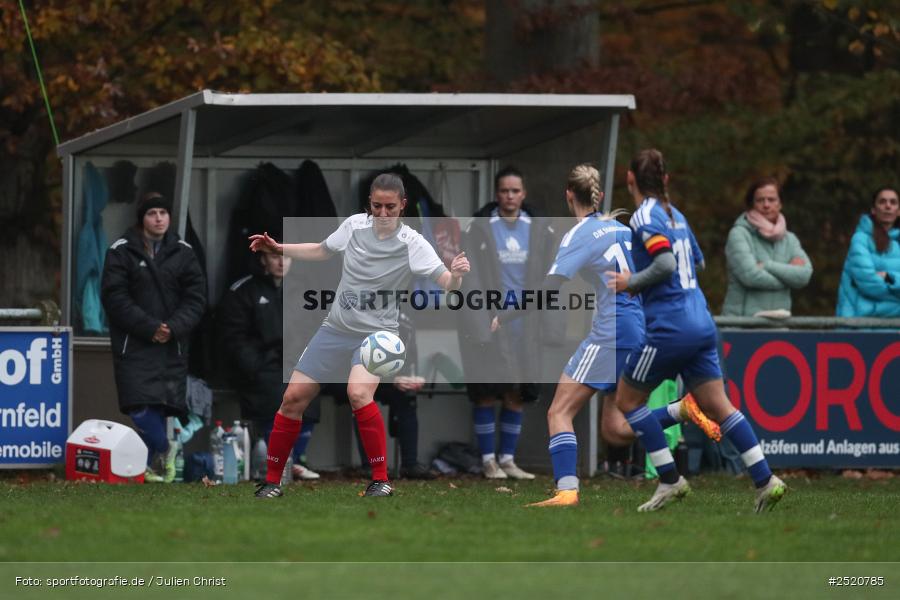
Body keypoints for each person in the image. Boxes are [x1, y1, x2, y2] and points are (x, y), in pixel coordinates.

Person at [492, 164, 720, 507]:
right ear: (598, 195)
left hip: (612, 331)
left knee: (559, 411)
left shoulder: (579, 234)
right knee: (615, 428)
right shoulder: (622, 228)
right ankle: (681, 410)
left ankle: (567, 491)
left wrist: (505, 315)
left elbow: (548, 291)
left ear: (569, 195)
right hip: (639, 327)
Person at [249, 173, 470, 498]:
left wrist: (458, 276)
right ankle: (271, 483)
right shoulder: (353, 226)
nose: (382, 214)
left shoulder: (413, 243)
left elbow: (446, 283)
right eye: (377, 206)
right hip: (335, 329)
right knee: (292, 398)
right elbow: (322, 250)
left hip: (378, 336)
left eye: (390, 207)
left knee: (358, 393)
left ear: (402, 206)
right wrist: (280, 248)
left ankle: (380, 480)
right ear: (369, 204)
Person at [608, 149, 786, 513]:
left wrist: (631, 282)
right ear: (666, 181)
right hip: (702, 320)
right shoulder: (676, 215)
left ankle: (670, 481)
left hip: (670, 326)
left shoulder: (644, 217)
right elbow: (697, 260)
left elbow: (666, 262)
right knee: (718, 405)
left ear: (630, 180)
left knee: (627, 402)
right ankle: (766, 480)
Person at [458, 166, 558, 480]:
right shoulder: (479, 228)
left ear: (523, 194)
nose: (510, 196)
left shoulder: (541, 229)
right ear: (496, 194)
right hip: (491, 320)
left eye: (515, 191)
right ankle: (488, 461)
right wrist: (478, 317)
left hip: (525, 323)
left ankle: (508, 460)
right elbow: (469, 276)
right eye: (504, 191)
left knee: (518, 392)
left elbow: (553, 277)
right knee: (487, 389)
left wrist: (550, 322)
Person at [100, 192, 206, 482]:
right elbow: (115, 297)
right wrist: (150, 327)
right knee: (138, 406)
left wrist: (172, 327)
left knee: (159, 407)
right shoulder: (121, 250)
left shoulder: (184, 252)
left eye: (163, 212)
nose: (158, 218)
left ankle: (145, 468)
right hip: (134, 343)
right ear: (141, 219)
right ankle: (166, 447)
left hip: (173, 344)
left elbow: (196, 298)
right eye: (152, 213)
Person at [217, 250, 321, 481]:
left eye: (286, 257)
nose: (281, 262)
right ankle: (276, 460)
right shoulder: (243, 290)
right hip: (260, 366)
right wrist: (254, 364)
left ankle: (297, 458)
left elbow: (316, 327)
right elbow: (233, 336)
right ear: (263, 259)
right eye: (275, 257)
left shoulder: (304, 290)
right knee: (272, 394)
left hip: (295, 363)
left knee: (309, 391)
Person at [722, 177, 813, 317]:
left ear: (780, 204)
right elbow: (750, 276)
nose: (766, 205)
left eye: (771, 200)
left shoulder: (790, 239)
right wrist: (788, 279)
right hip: (741, 325)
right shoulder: (738, 234)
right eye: (760, 200)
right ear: (751, 204)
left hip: (779, 325)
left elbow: (804, 275)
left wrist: (767, 266)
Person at [836, 186, 900, 317]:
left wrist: (890, 277)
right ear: (873, 210)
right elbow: (868, 284)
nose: (888, 206)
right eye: (882, 202)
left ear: (899, 211)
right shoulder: (860, 239)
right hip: (861, 326)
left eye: (893, 202)